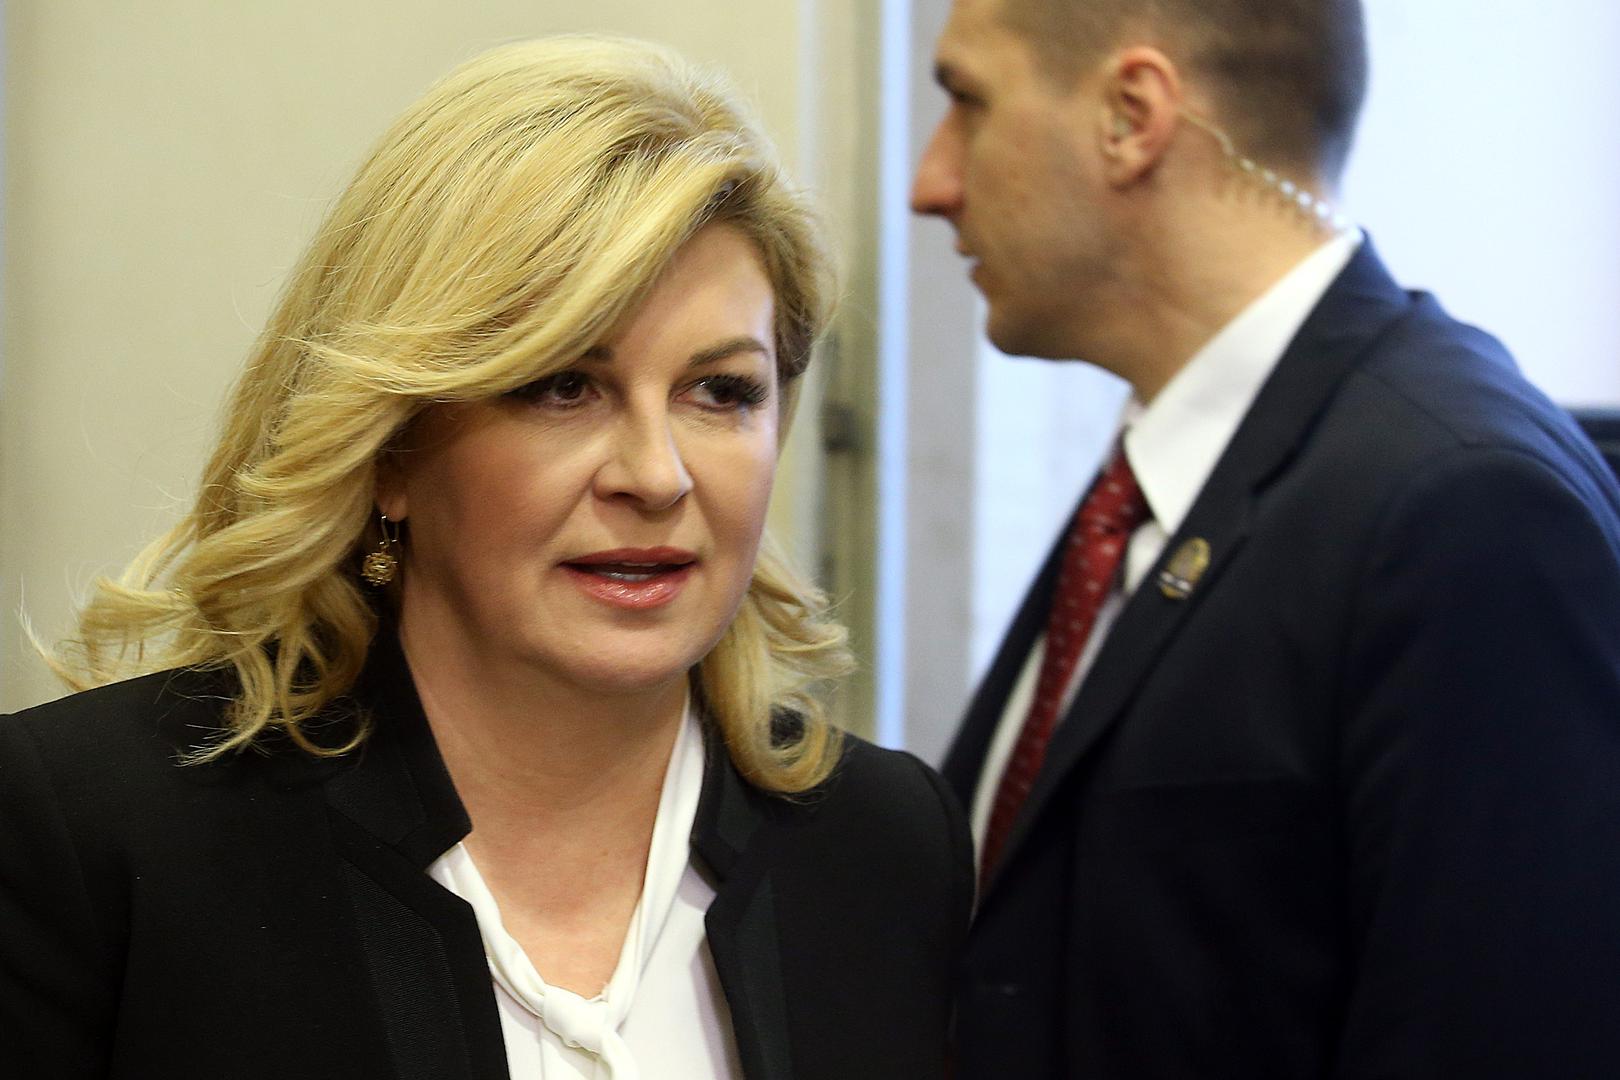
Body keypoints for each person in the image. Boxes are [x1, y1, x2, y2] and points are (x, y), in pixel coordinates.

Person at [0, 36, 972, 1079]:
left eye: (720, 392)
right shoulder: (95, 834)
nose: (656, 475)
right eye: (563, 386)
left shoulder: (886, 848)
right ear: (389, 450)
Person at [911, 0, 1620, 1076]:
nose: (930, 183)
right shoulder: (1166, 474)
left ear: (1131, 115)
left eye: (969, 102)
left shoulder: (1464, 509)